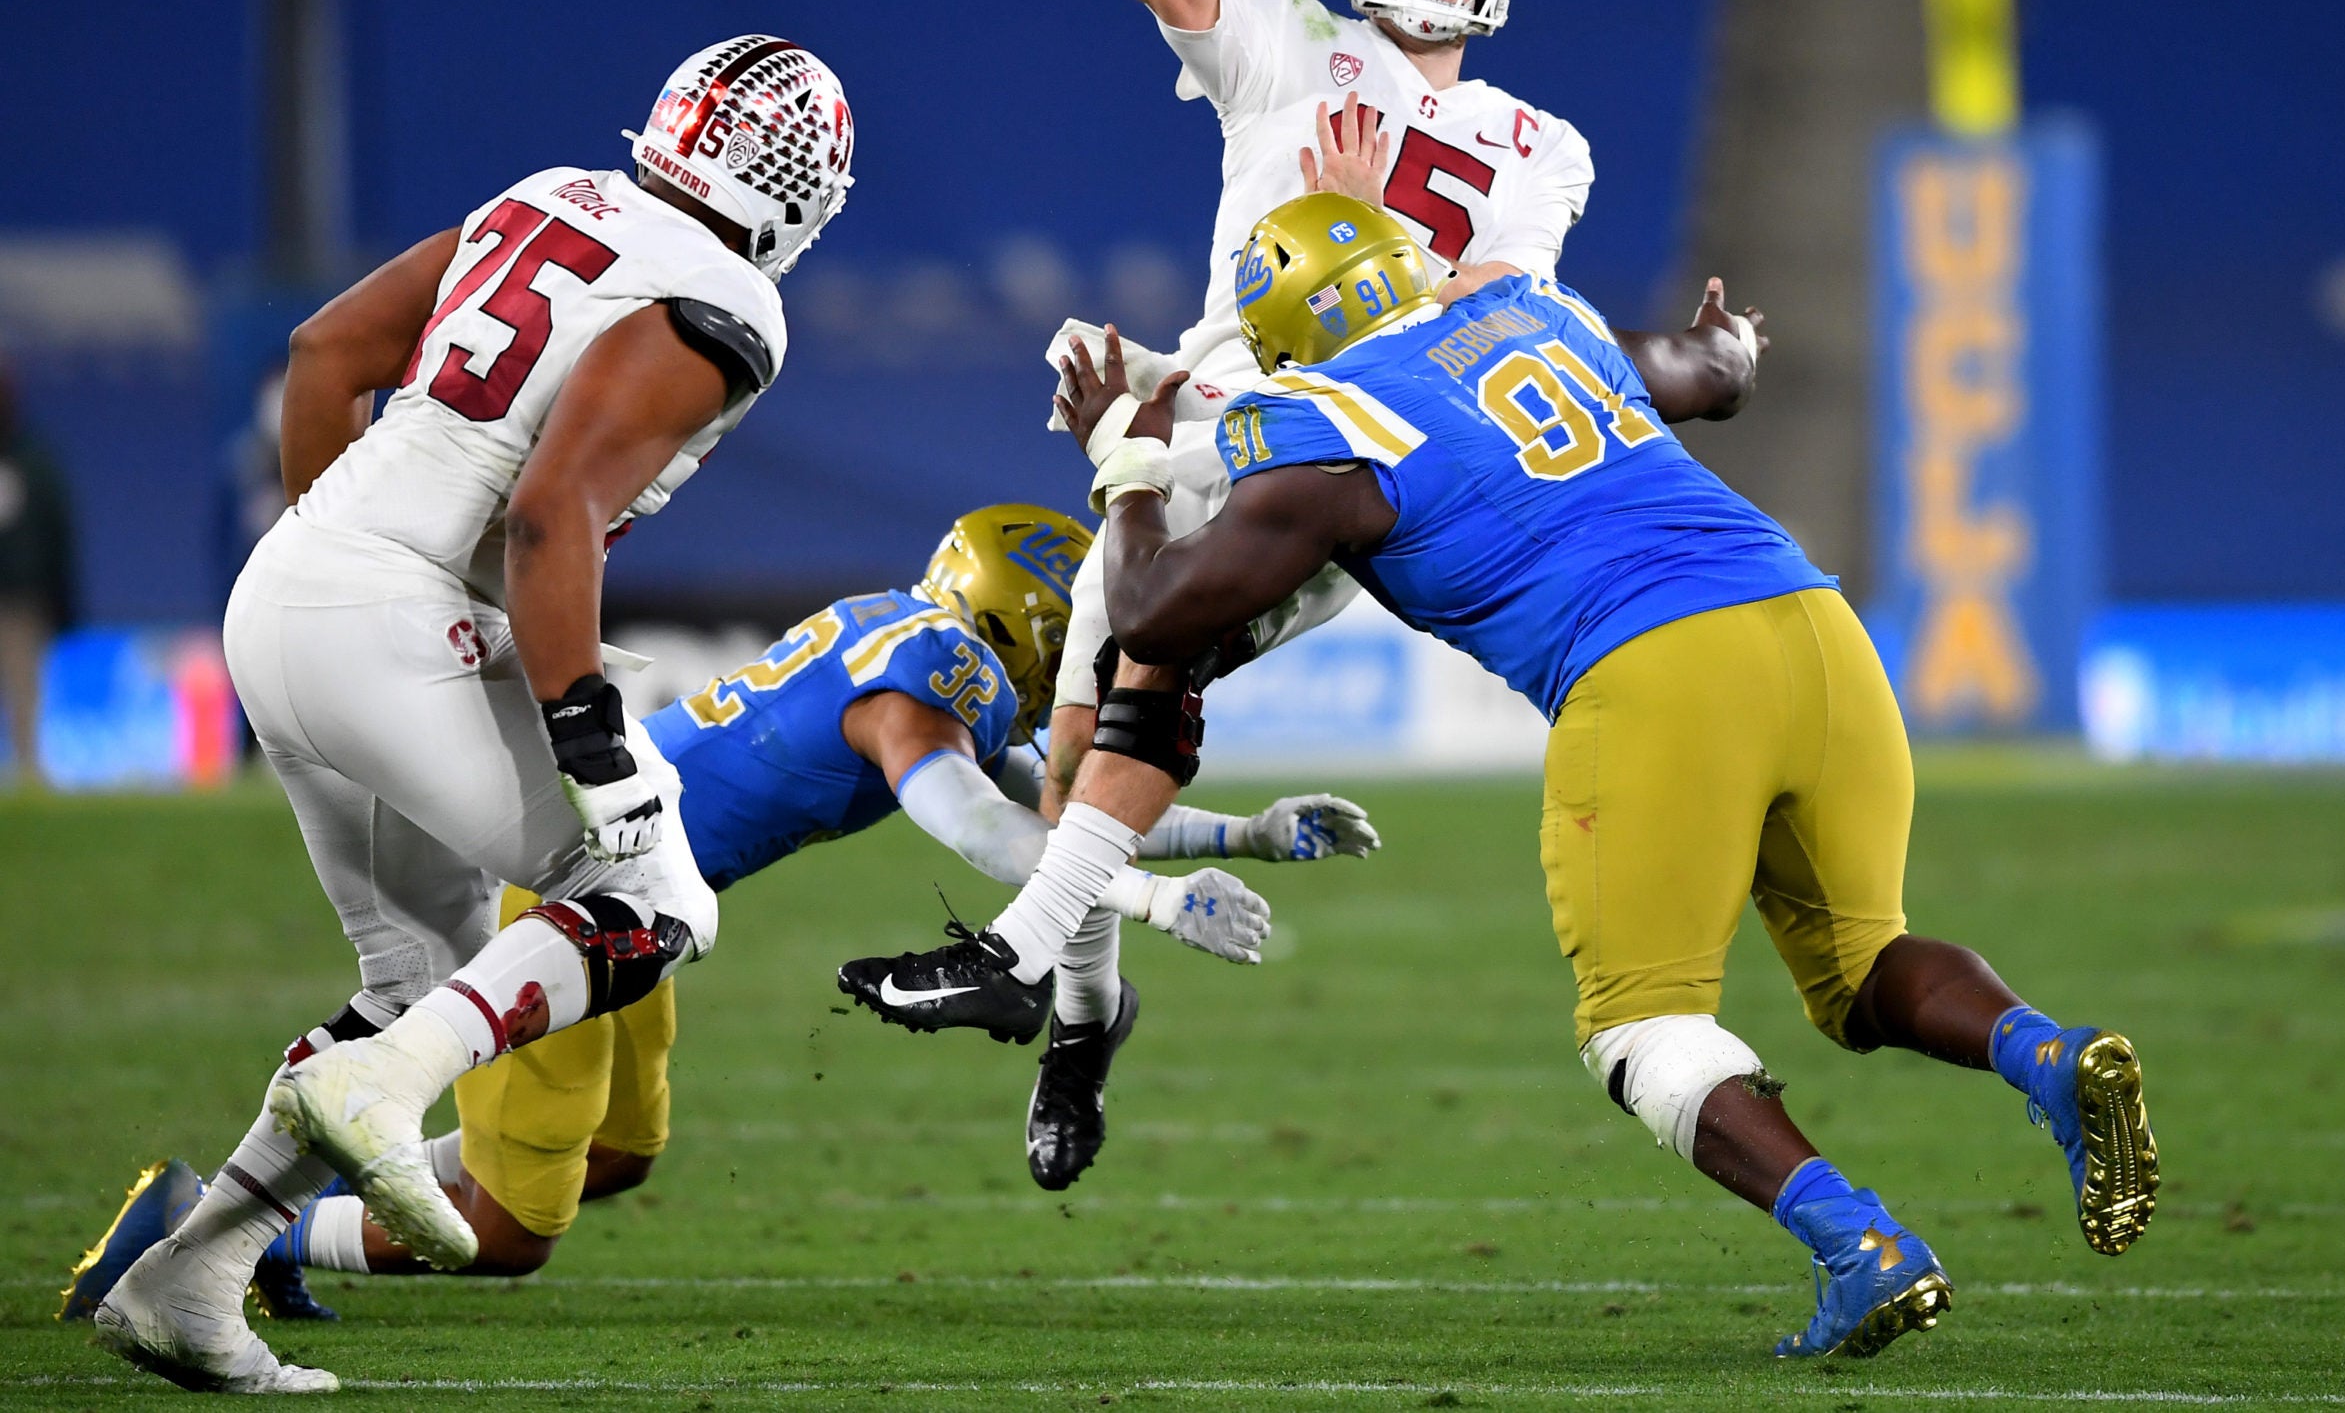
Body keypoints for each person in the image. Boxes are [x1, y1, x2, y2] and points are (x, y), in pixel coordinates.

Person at [858, 194, 2159, 1363]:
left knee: (1642, 1028)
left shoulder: (1325, 427)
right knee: (1862, 965)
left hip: (1652, 673)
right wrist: (1736, 350)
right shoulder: (1535, 309)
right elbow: (1704, 371)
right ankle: (2046, 1054)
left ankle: (1860, 1243)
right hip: (1815, 631)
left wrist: (1122, 458)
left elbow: (1153, 607)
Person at [65, 502, 1372, 1320]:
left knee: (620, 1157)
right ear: (1027, 626)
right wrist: (1150, 892)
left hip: (639, 894)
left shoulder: (905, 637)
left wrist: (1240, 832)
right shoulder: (937, 677)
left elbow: (1045, 811)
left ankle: (276, 1217)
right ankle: (222, 1230)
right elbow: (981, 829)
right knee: (516, 1234)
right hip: (582, 892)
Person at [93, 36, 860, 1396]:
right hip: (377, 613)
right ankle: (383, 1090)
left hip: (287, 584)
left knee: (416, 975)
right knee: (654, 892)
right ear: (799, 184)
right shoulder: (724, 293)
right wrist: (587, 736)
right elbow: (550, 510)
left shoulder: (556, 192)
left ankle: (191, 1278)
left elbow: (324, 352)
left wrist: (353, 572)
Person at [948, 0, 1597, 1029]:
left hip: (1350, 460)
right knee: (1085, 733)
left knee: (1146, 649)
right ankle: (1077, 1022)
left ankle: (1030, 961)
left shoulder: (1541, 149)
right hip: (1206, 414)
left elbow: (1479, 320)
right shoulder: (1296, 40)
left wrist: (1362, 226)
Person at [0, 350, 77, 786]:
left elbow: (57, 534)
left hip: (21, 604)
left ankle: (27, 776)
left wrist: (61, 599)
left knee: (23, 697)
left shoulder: (34, 462)